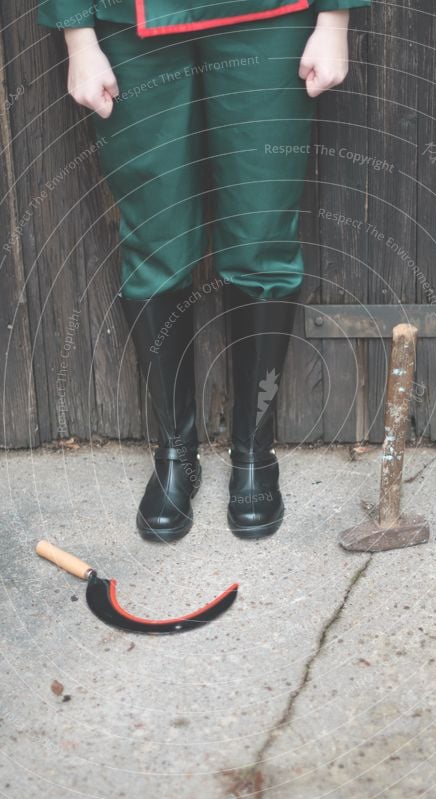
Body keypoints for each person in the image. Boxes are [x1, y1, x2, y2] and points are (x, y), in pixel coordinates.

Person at [37, 0, 371, 543]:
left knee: (262, 237)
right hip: (128, 24)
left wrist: (336, 17)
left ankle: (253, 454)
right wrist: (78, 36)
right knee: (155, 239)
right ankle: (176, 453)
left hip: (268, 20)